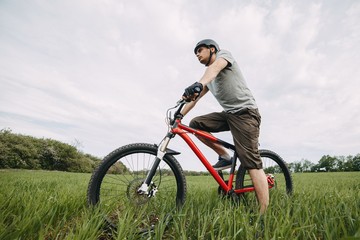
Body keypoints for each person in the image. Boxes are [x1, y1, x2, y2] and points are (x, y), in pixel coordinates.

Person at [180, 39, 269, 213]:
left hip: (246, 113)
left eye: (200, 50)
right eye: (195, 53)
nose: (197, 54)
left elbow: (214, 70)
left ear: (212, 49)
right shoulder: (208, 78)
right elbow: (196, 98)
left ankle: (263, 214)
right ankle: (225, 156)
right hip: (229, 115)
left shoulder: (223, 56)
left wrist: (199, 83)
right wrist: (179, 114)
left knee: (250, 161)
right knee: (196, 124)